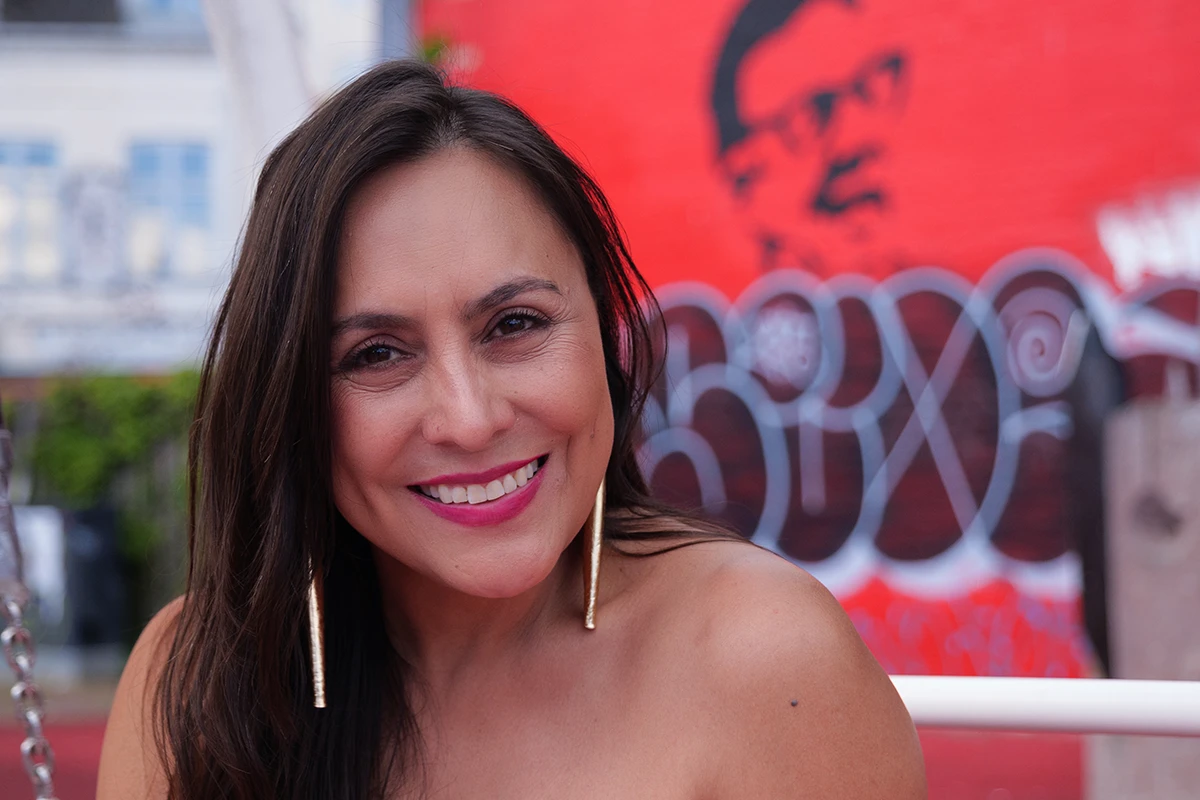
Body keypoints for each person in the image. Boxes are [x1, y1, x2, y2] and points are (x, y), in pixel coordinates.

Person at [97, 60, 924, 799]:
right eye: (377, 352)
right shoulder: (195, 677)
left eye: (515, 324)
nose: (469, 416)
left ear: (603, 335)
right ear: (291, 400)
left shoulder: (763, 662)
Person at [711, 0, 910, 275]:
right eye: (812, 119)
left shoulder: (937, 307)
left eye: (873, 92)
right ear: (742, 171)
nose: (858, 147)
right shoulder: (697, 314)